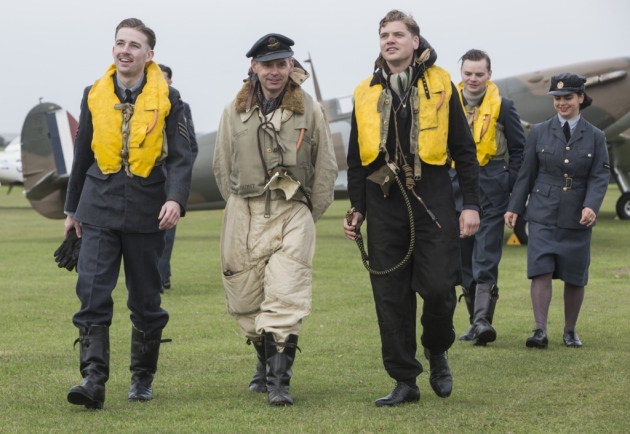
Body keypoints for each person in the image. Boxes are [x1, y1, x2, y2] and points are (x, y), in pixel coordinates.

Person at [343, 10, 480, 406]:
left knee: (439, 289)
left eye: (398, 34)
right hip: (382, 199)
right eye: (384, 34)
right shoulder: (364, 91)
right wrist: (358, 209)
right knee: (389, 295)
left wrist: (469, 204)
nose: (390, 40)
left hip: (432, 197)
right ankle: (405, 379)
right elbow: (356, 160)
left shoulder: (441, 84)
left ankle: (437, 349)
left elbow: (464, 151)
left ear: (415, 41)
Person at [63, 18, 193, 409]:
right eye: (120, 43)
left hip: (146, 211)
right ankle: (93, 379)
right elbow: (82, 153)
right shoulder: (93, 94)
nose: (125, 50)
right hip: (97, 207)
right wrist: (72, 209)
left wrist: (175, 199)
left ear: (149, 55)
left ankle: (142, 378)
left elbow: (183, 157)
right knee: (91, 294)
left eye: (134, 45)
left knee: (146, 301)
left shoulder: (172, 99)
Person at [213, 33, 337, 406]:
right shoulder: (232, 111)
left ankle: (280, 383)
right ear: (254, 67)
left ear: (290, 66)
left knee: (286, 295)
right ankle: (265, 362)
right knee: (245, 299)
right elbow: (222, 165)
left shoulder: (310, 109)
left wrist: (305, 212)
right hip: (244, 211)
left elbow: (325, 167)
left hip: (292, 211)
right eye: (267, 65)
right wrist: (239, 205)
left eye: (282, 64)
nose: (275, 71)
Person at [505, 73, 609, 349]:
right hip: (542, 212)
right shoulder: (538, 131)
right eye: (558, 99)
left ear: (581, 98)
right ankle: (539, 331)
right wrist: (515, 207)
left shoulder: (596, 136)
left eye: (568, 98)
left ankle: (570, 331)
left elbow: (600, 175)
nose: (562, 103)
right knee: (540, 269)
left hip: (578, 214)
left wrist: (592, 206)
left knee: (575, 274)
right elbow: (527, 173)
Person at [452, 49, 525, 346]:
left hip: (492, 187)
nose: (473, 79)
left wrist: (508, 182)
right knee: (463, 258)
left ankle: (483, 321)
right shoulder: (447, 106)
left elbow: (519, 150)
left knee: (486, 256)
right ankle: (473, 323)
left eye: (479, 74)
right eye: (468, 73)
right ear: (461, 74)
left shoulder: (505, 106)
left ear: (489, 75)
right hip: (455, 189)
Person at [157, 64, 199, 292]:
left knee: (166, 233)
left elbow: (190, 146)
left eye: (163, 78)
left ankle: (160, 279)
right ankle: (162, 274)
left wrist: (177, 177)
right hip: (142, 181)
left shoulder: (182, 107)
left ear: (170, 82)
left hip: (167, 182)